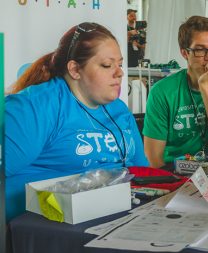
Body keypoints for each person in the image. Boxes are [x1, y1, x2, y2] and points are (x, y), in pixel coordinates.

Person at [6, 22, 148, 221]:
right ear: (74, 69)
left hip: (114, 214)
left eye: (120, 64)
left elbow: (143, 171)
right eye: (107, 65)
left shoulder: (119, 109)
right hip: (44, 225)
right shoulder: (36, 107)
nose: (119, 73)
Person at [143, 16, 208, 168]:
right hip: (175, 172)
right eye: (200, 50)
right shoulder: (162, 91)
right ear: (185, 53)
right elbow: (154, 159)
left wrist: (205, 86)